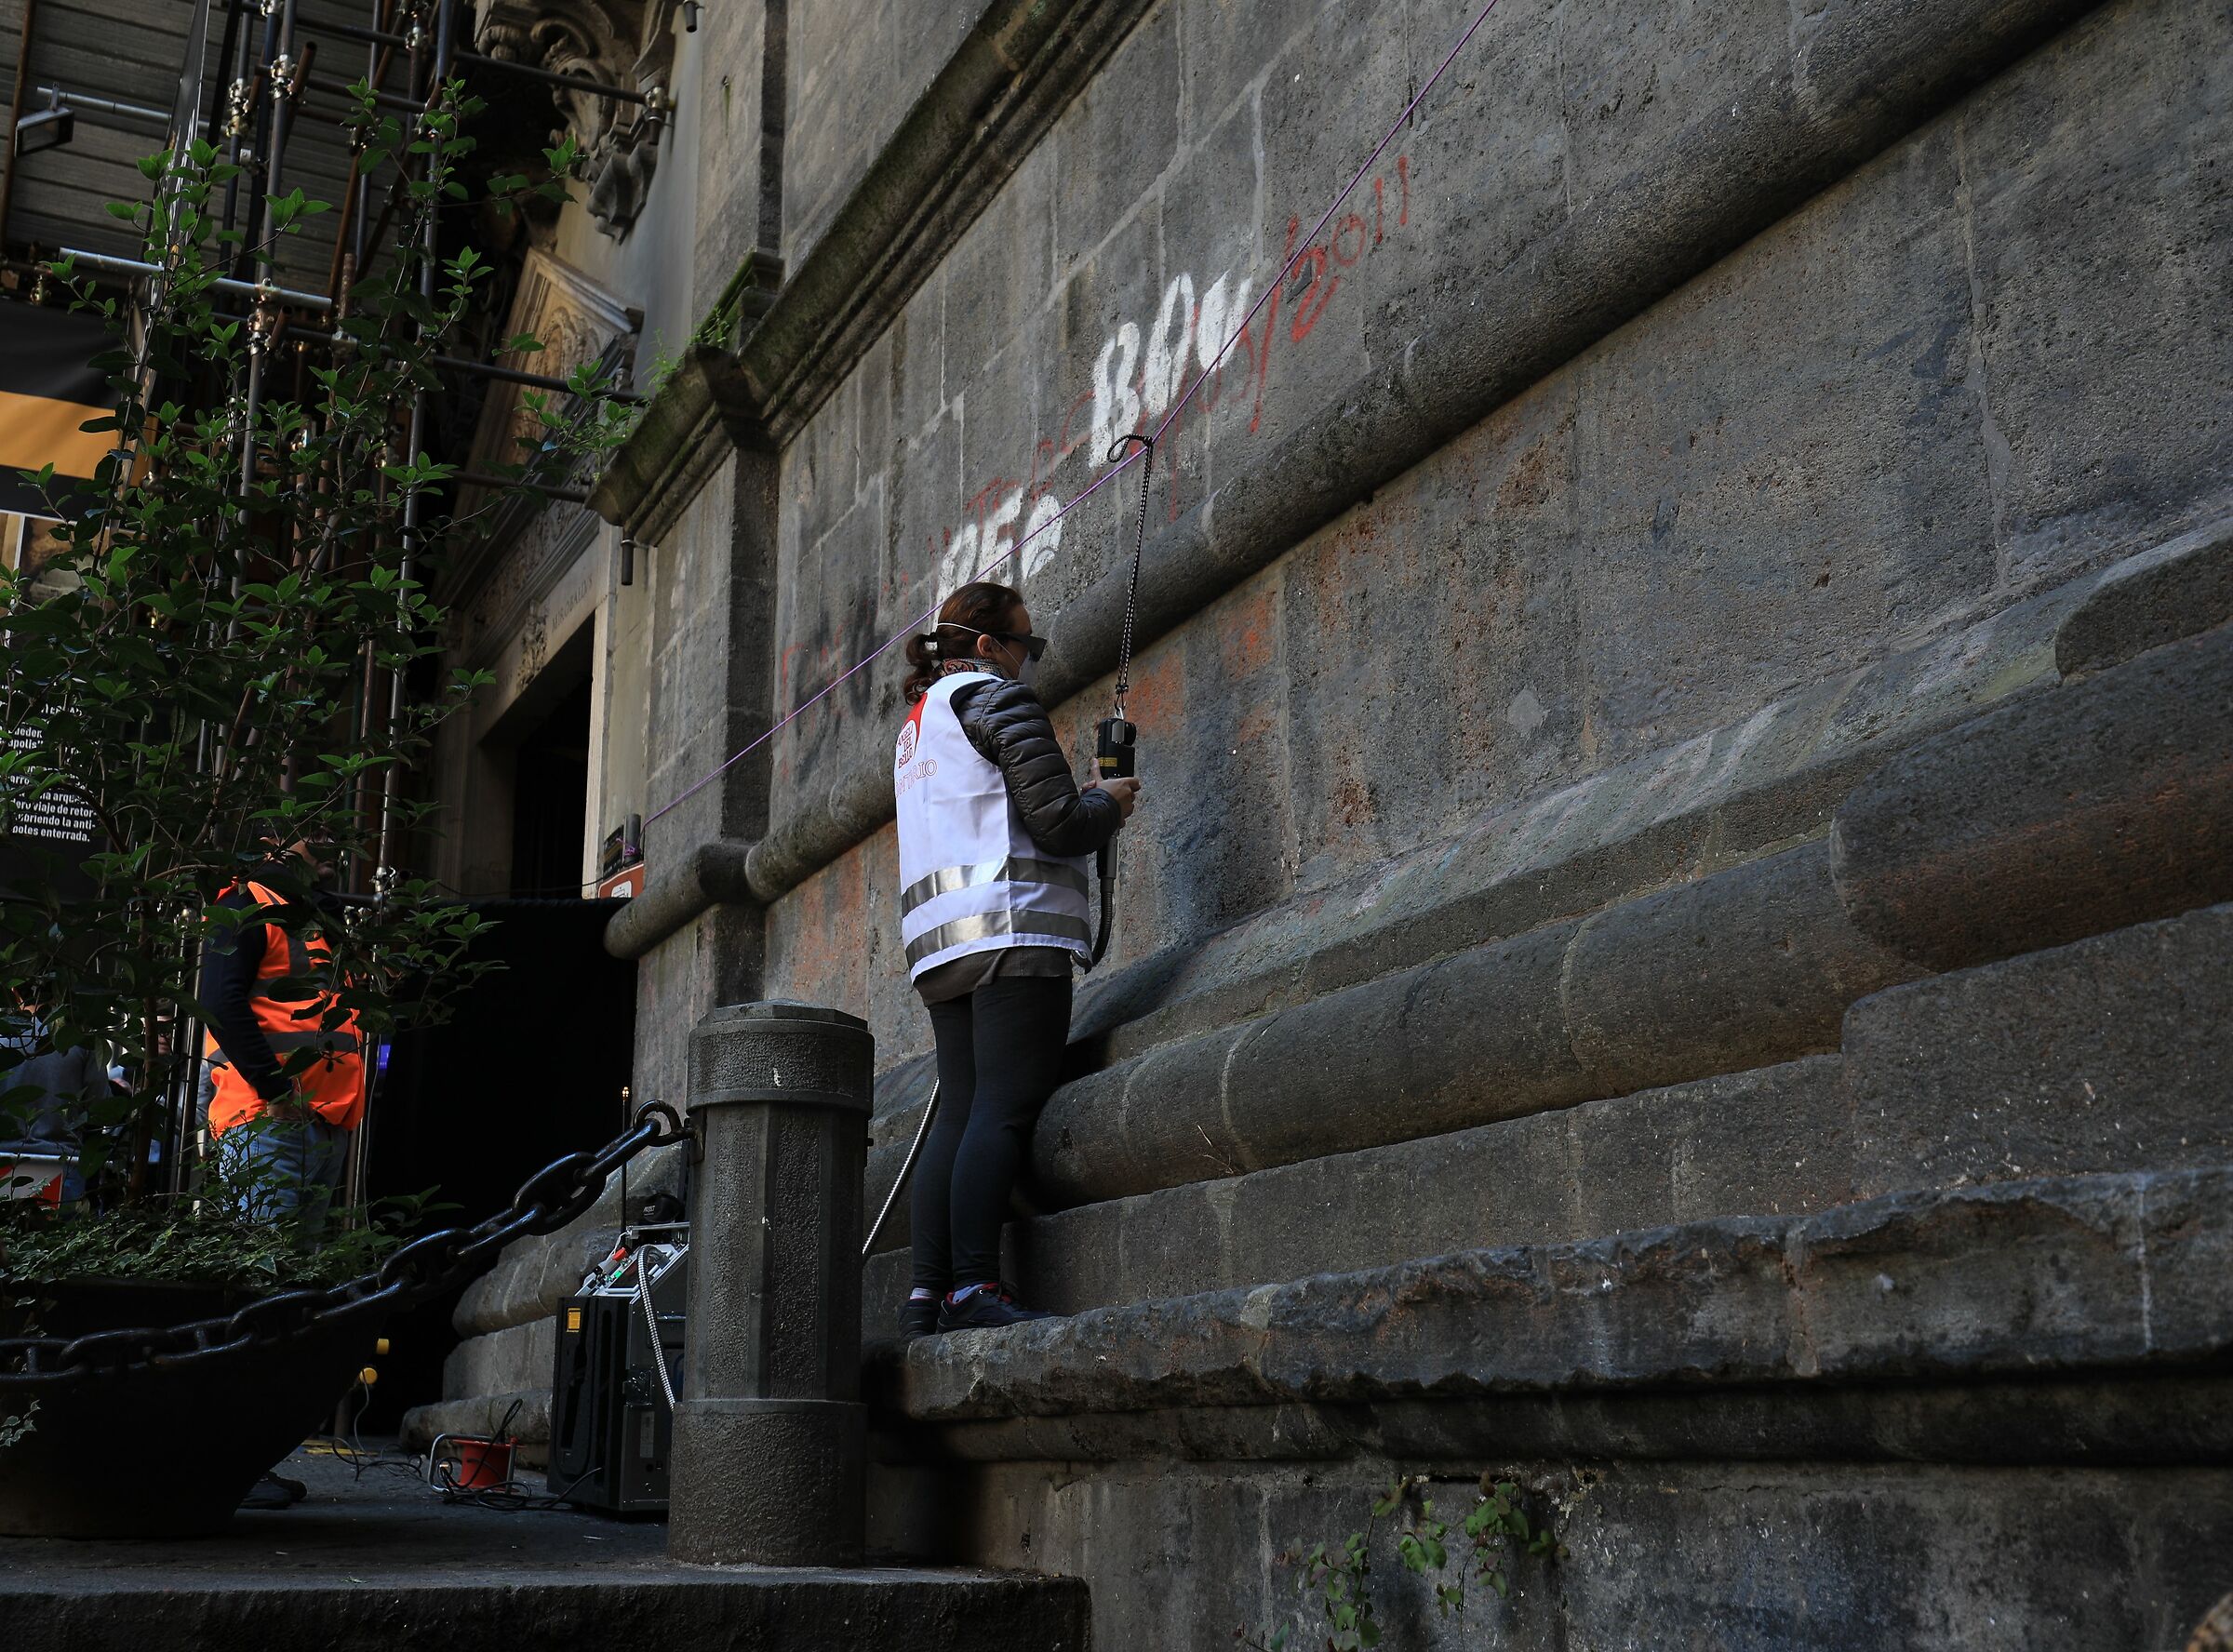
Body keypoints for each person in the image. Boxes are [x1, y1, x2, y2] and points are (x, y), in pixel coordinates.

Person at [893, 581, 1142, 1336]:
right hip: (1011, 931)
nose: (1030, 660)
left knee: (958, 1115)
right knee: (1000, 1112)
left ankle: (927, 1294)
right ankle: (975, 1287)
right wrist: (1109, 803)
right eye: (1025, 645)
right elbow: (1059, 824)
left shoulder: (919, 724)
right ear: (986, 644)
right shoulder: (997, 700)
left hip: (941, 947)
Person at [199, 838, 365, 1245]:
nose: (331, 844)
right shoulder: (246, 904)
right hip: (268, 1120)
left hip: (321, 1124)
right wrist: (275, 1089)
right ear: (272, 843)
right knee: (265, 1265)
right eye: (316, 834)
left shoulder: (313, 921)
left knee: (294, 1269)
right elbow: (219, 1003)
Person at [0, 992, 106, 1207]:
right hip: (63, 1166)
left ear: (14, 992)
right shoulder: (81, 1039)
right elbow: (100, 1108)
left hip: (4, 1160)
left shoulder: (3, 1037)